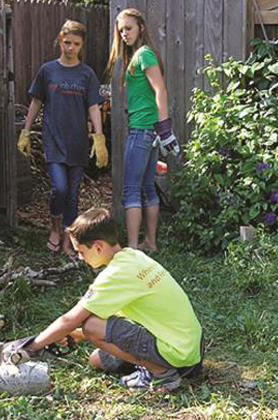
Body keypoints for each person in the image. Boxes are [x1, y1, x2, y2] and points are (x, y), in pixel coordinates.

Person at [7, 207, 203, 391]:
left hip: (178, 353)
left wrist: (31, 347)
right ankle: (164, 367)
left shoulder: (115, 275)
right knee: (97, 360)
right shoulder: (134, 256)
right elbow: (120, 317)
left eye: (81, 251)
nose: (80, 257)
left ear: (98, 247)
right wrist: (76, 334)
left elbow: (70, 319)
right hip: (191, 350)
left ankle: (163, 374)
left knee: (91, 327)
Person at [18, 20, 107, 258]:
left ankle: (70, 239)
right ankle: (55, 228)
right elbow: (36, 101)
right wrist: (26, 130)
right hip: (53, 139)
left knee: (74, 193)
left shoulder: (87, 74)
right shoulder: (48, 70)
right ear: (60, 41)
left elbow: (94, 107)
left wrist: (99, 138)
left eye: (76, 44)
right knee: (59, 188)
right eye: (67, 42)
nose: (70, 48)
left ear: (82, 45)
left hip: (77, 142)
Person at [104, 8, 180, 252]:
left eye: (129, 28)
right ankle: (150, 243)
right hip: (148, 131)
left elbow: (161, 90)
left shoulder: (144, 54)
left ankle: (133, 247)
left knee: (131, 190)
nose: (124, 33)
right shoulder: (137, 55)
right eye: (121, 30)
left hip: (142, 131)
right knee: (147, 187)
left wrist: (165, 128)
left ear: (141, 28)